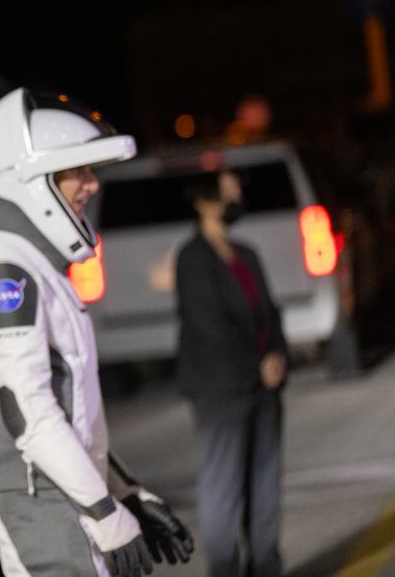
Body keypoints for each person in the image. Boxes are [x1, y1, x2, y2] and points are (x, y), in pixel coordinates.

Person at [0, 89, 193, 577]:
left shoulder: (34, 264)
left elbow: (72, 413)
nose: (92, 184)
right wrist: (106, 512)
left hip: (63, 491)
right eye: (77, 172)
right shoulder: (4, 268)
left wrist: (126, 492)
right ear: (28, 181)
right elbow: (26, 411)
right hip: (36, 496)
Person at [176, 168, 287, 577]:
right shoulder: (193, 258)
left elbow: (269, 313)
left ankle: (266, 566)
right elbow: (210, 326)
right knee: (223, 487)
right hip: (220, 390)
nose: (236, 197)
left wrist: (277, 355)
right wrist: (257, 364)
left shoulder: (246, 253)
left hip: (263, 387)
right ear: (205, 202)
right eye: (229, 191)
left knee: (265, 484)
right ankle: (225, 569)